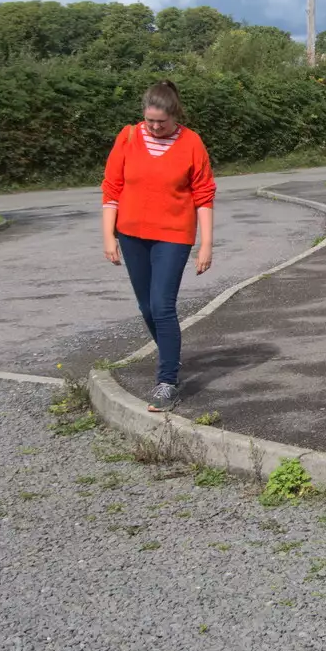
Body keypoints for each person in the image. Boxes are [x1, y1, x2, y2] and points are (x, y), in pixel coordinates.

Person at [101, 80, 216, 412]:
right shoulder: (127, 138)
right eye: (149, 120)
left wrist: (206, 244)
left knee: (162, 306)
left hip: (173, 235)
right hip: (132, 235)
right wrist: (109, 236)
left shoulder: (192, 143)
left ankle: (167, 382)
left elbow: (204, 197)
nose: (154, 127)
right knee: (147, 308)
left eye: (161, 122)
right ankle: (171, 354)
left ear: (174, 115)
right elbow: (112, 189)